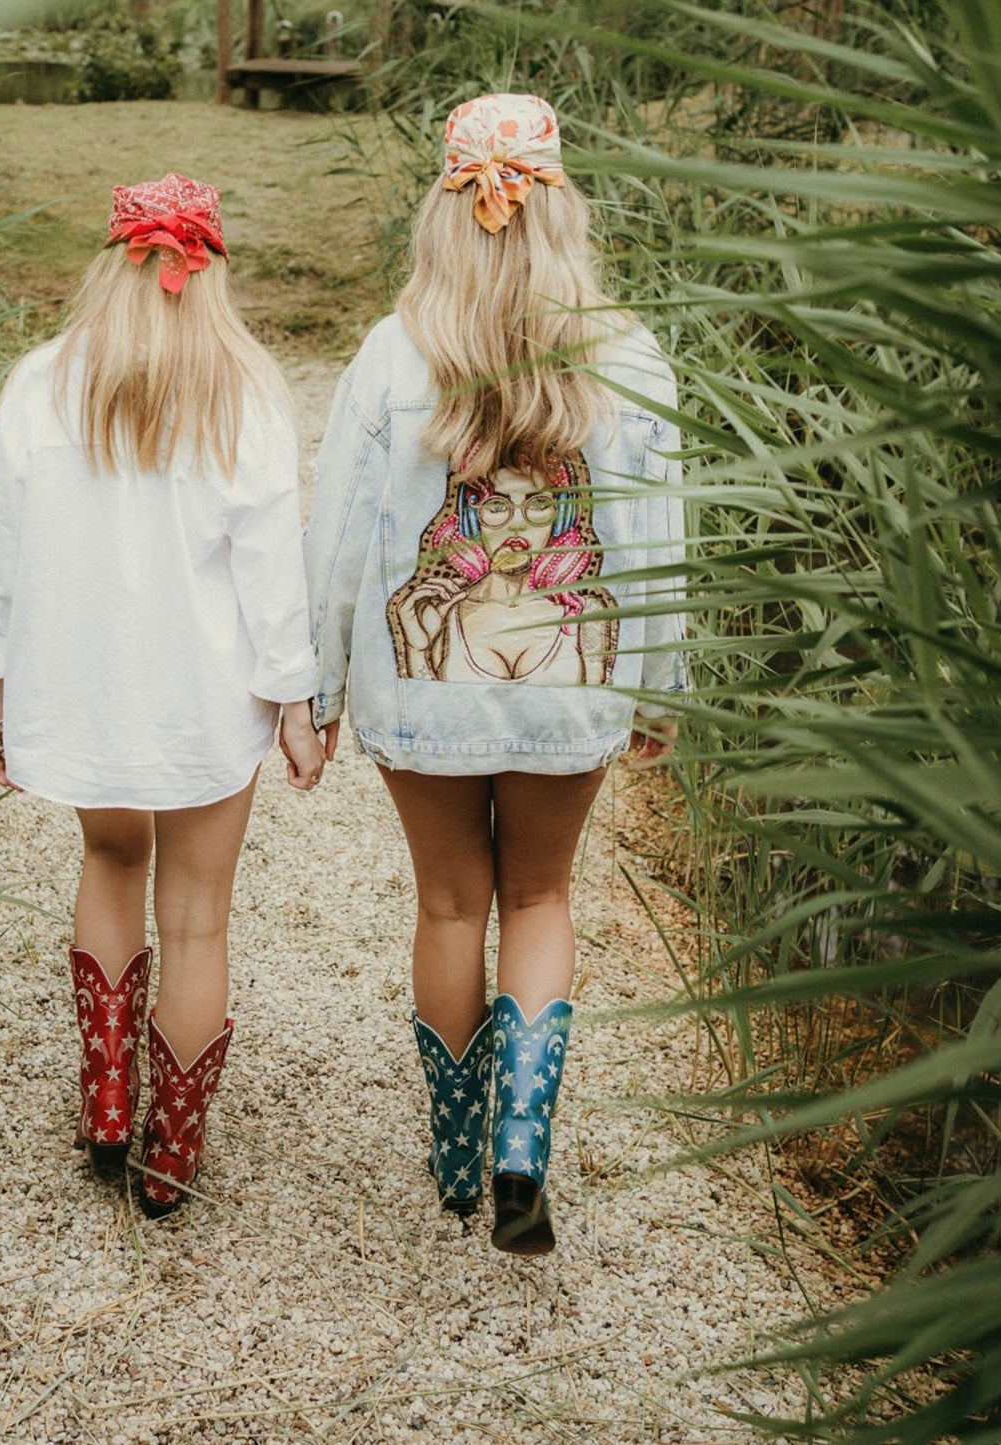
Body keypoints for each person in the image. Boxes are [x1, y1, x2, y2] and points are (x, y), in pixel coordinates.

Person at [305, 95, 687, 1255]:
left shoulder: (392, 353)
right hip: (571, 696)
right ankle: (522, 1146)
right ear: (563, 213)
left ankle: (456, 1155)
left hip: (420, 701)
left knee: (448, 902)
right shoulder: (625, 355)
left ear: (444, 212)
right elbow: (656, 538)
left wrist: (317, 690)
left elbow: (336, 537)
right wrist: (657, 683)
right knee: (538, 896)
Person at [0, 173, 325, 1219]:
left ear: (111, 262)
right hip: (203, 702)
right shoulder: (244, 390)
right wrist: (294, 701)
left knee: (109, 858)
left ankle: (107, 1104)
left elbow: (8, 557)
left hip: (88, 688)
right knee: (198, 918)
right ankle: (170, 1155)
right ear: (207, 270)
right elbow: (272, 569)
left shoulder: (41, 382)